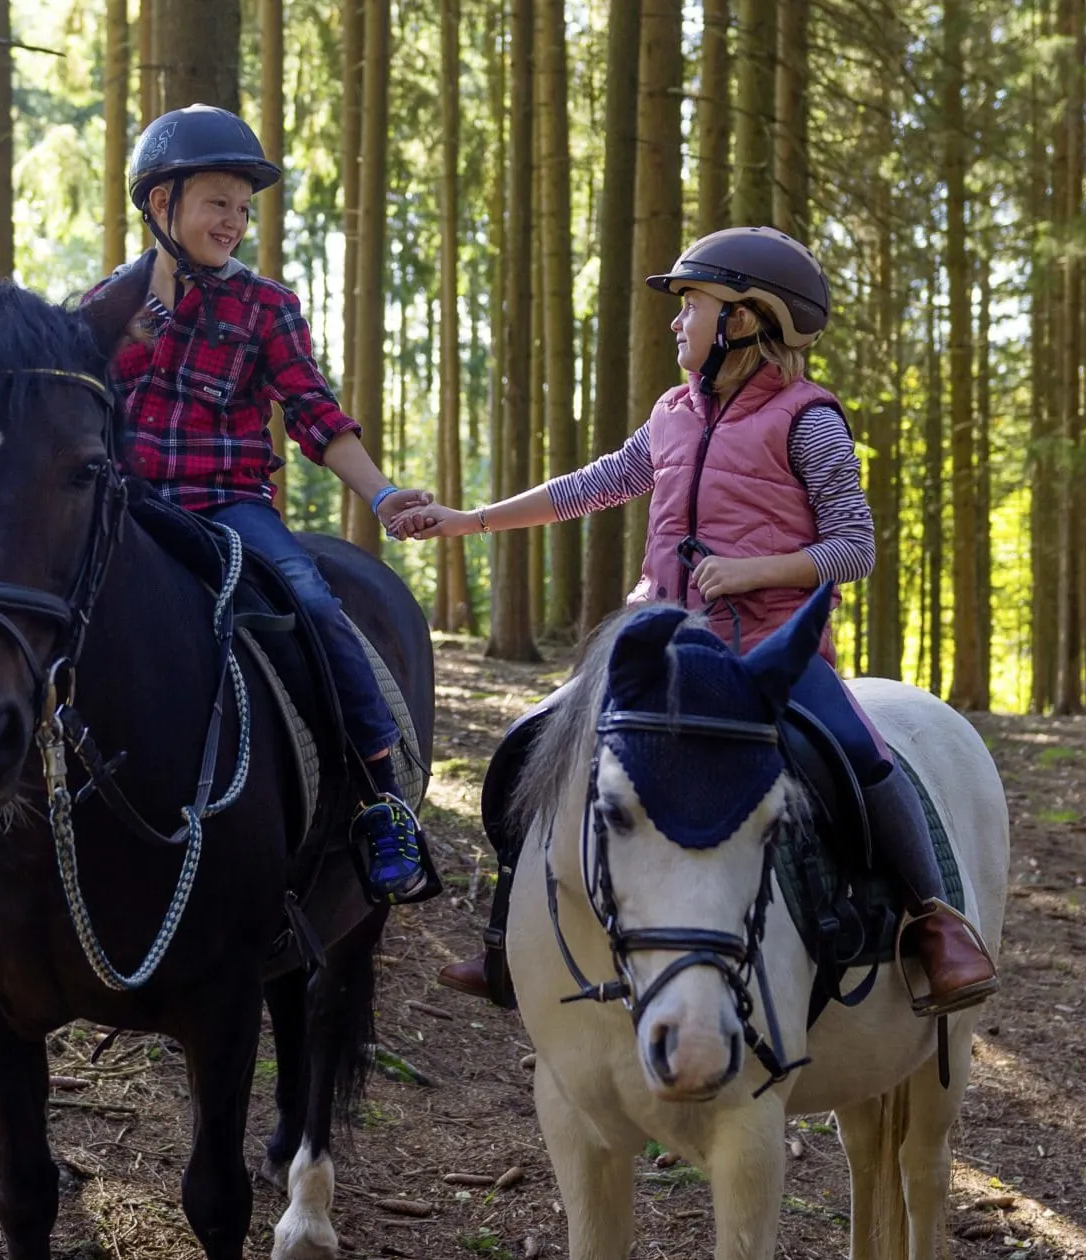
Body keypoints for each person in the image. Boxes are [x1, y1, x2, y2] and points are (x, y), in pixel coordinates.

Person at [395, 226, 997, 1014]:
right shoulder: (673, 411)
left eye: (692, 306)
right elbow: (595, 483)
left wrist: (755, 573)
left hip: (772, 650)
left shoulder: (809, 420)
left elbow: (855, 546)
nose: (677, 323)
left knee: (860, 752)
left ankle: (935, 923)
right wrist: (467, 520)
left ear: (744, 321)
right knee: (531, 743)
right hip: (660, 644)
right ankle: (509, 935)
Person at [91, 104, 435, 905]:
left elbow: (317, 416)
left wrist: (382, 495)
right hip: (130, 509)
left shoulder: (268, 307)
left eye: (244, 209)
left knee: (314, 601)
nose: (235, 223)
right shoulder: (104, 306)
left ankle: (382, 795)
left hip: (230, 507)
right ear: (160, 203)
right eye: (218, 203)